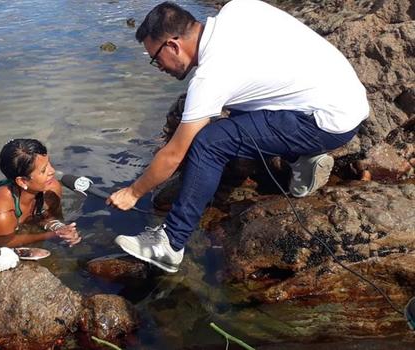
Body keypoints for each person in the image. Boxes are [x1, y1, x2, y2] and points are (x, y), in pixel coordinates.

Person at [106, 0, 369, 273]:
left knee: (209, 143)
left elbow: (174, 154)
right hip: (347, 99)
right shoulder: (238, 9)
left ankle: (171, 243)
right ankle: (300, 160)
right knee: (236, 105)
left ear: (173, 45)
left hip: (326, 123)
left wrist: (132, 192)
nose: (157, 66)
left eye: (155, 58)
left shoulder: (210, 78)